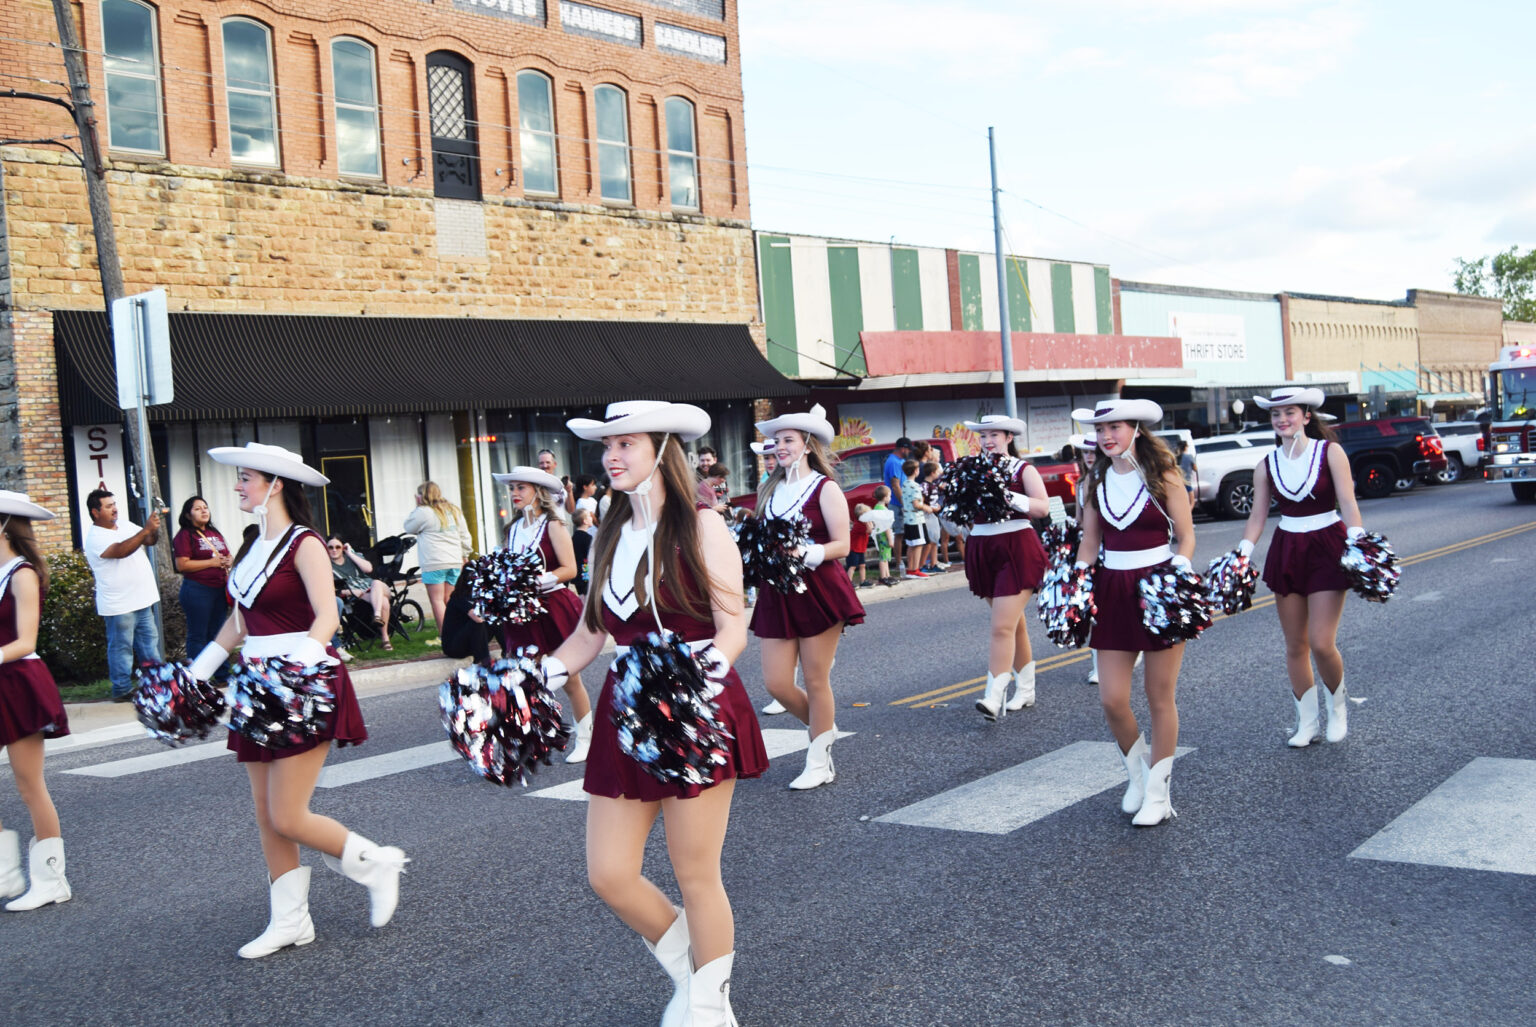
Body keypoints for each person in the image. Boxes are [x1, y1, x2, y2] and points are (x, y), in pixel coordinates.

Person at [547, 400, 766, 1026]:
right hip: (628, 708)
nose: (611, 457)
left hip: (695, 704)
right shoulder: (609, 534)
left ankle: (709, 999)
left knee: (696, 872)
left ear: (661, 453)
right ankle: (690, 969)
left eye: (627, 445)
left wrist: (694, 687)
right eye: (607, 447)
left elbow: (732, 631)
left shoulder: (702, 527)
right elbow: (590, 636)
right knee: (608, 874)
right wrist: (534, 675)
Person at [184, 442, 407, 958]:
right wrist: (197, 674)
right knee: (266, 814)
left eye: (245, 478)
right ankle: (290, 921)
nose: (237, 486)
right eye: (238, 478)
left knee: (288, 813)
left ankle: (373, 862)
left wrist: (294, 670)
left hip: (301, 682)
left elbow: (326, 616)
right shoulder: (252, 547)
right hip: (258, 682)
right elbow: (240, 622)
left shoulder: (303, 542)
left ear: (275, 484)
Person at [1072, 400, 1193, 827]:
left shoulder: (1164, 476)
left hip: (1158, 586)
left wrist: (1179, 565)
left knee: (1160, 696)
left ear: (1135, 429)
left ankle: (1159, 794)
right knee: (1112, 698)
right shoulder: (1093, 481)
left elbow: (1187, 536)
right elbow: (1089, 545)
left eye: (1115, 427)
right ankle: (1138, 776)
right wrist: (1077, 581)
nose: (1106, 435)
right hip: (1112, 588)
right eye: (1100, 428)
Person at [1238, 388, 1363, 747]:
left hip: (1327, 543)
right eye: (1276, 415)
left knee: (1321, 642)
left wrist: (1358, 541)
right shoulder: (1266, 464)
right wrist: (1243, 552)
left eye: (1290, 412)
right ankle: (1306, 722)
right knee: (1295, 645)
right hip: (1288, 547)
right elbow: (1257, 515)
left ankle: (1337, 707)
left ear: (1306, 416)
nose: (1282, 420)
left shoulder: (1330, 452)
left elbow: (1348, 502)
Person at [751, 404, 865, 791]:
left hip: (819, 590)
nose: (779, 447)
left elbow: (843, 545)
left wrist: (806, 552)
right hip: (777, 593)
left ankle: (819, 759)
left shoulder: (824, 487)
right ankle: (823, 727)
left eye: (787, 440)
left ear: (806, 445)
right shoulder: (769, 490)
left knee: (816, 680)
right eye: (776, 441)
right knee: (777, 684)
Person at [489, 468, 593, 764]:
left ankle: (586, 738)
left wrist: (536, 580)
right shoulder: (512, 529)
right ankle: (527, 741)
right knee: (523, 678)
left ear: (538, 491)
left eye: (521, 487)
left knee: (569, 678)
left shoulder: (554, 526)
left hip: (553, 608)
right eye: (512, 488)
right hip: (522, 613)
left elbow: (570, 569)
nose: (514, 493)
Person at [0, 491, 72, 911]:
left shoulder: (22, 573)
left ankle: (50, 879)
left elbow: (25, 640)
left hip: (20, 682)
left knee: (29, 784)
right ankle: (6, 872)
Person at [961, 416, 1052, 721]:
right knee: (1013, 624)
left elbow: (1042, 507)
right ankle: (1026, 690)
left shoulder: (1023, 469)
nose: (988, 440)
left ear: (1009, 437)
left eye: (994, 435)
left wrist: (1006, 495)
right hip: (983, 547)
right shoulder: (971, 469)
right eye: (983, 435)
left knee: (1001, 626)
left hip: (1017, 547)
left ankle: (993, 695)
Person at [82, 489, 164, 702]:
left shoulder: (126, 525)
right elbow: (121, 550)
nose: (115, 508)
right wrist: (145, 530)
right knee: (121, 647)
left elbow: (150, 541)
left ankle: (155, 684)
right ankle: (122, 689)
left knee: (149, 645)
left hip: (143, 597)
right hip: (119, 604)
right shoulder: (94, 537)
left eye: (114, 503)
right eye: (108, 506)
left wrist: (153, 529)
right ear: (95, 512)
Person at [402, 481, 473, 634]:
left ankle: (445, 636)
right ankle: (458, 631)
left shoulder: (424, 512)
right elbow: (464, 535)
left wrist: (417, 505)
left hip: (434, 562)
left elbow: (408, 527)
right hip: (454, 560)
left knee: (437, 600)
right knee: (449, 599)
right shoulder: (453, 510)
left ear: (423, 495)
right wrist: (465, 555)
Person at [172, 496, 231, 668]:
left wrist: (229, 560)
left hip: (219, 588)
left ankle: (222, 674)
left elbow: (227, 554)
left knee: (218, 634)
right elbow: (182, 564)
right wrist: (211, 563)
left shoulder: (215, 533)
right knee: (198, 635)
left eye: (205, 507)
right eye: (197, 509)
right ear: (188, 515)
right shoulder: (184, 535)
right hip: (198, 590)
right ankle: (198, 676)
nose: (204, 511)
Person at [328, 537, 393, 651]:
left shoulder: (353, 556)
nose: (334, 550)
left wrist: (350, 553)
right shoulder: (326, 565)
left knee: (377, 583)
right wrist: (349, 591)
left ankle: (377, 615)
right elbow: (329, 589)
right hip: (360, 594)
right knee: (383, 602)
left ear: (343, 547)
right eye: (330, 547)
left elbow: (368, 569)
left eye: (338, 547)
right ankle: (385, 639)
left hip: (375, 587)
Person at [882, 437, 913, 574]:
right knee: (899, 534)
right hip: (897, 503)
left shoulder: (900, 461)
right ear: (903, 449)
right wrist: (904, 503)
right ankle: (899, 563)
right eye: (908, 449)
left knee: (904, 533)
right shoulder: (894, 462)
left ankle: (903, 561)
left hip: (900, 502)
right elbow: (895, 485)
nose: (909, 452)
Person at [900, 459, 931, 578]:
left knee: (911, 544)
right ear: (916, 471)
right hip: (916, 519)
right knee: (918, 544)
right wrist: (926, 507)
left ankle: (910, 569)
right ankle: (915, 569)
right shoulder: (915, 486)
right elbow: (916, 504)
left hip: (908, 519)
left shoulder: (905, 484)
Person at [864, 486, 898, 586]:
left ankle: (887, 575)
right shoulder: (884, 510)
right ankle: (883, 577)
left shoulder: (877, 508)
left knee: (885, 556)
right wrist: (890, 540)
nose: (890, 498)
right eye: (889, 496)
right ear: (885, 497)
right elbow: (886, 527)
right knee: (883, 558)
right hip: (884, 536)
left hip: (879, 535)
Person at [920, 460, 948, 572]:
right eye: (937, 471)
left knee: (935, 539)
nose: (939, 473)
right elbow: (921, 502)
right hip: (928, 515)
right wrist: (931, 508)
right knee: (930, 540)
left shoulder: (934, 485)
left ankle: (933, 563)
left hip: (934, 515)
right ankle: (923, 565)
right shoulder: (925, 486)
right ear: (932, 472)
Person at [571, 509, 595, 596]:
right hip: (586, 574)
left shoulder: (574, 537)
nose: (591, 517)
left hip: (577, 574)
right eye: (589, 516)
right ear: (585, 521)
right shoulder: (587, 538)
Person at [847, 504, 871, 587]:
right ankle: (848, 582)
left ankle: (863, 581)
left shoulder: (863, 524)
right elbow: (869, 531)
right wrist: (869, 523)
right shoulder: (858, 525)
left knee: (862, 565)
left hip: (860, 549)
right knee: (852, 566)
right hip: (854, 549)